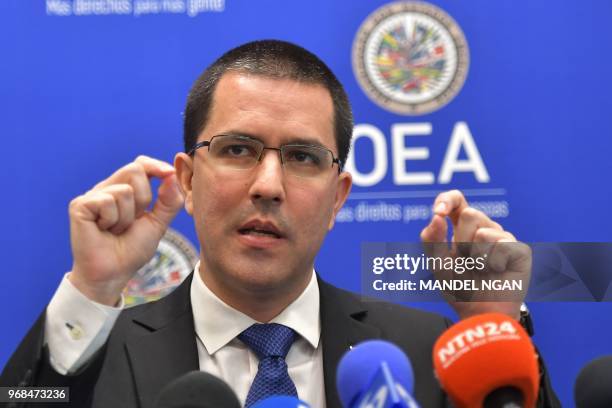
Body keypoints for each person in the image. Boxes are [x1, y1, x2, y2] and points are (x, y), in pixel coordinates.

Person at [0, 40, 560, 408]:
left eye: (302, 157)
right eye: (239, 149)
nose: (268, 185)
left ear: (338, 197)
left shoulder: (422, 354)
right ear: (188, 181)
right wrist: (92, 291)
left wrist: (497, 327)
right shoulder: (92, 355)